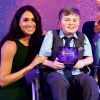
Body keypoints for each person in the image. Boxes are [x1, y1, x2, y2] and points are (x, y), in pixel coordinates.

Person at [39, 7, 99, 100]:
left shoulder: (83, 37)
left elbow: (90, 58)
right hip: (57, 73)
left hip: (77, 73)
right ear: (59, 23)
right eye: (67, 20)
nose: (71, 23)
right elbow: (41, 58)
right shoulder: (52, 35)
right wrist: (52, 64)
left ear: (79, 23)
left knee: (90, 81)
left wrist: (83, 62)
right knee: (58, 81)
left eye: (75, 20)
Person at [0, 5, 46, 100]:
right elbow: (2, 81)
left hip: (23, 89)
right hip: (7, 92)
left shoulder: (36, 41)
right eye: (25, 20)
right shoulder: (10, 45)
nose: (30, 24)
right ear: (18, 23)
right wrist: (30, 66)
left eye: (33, 20)